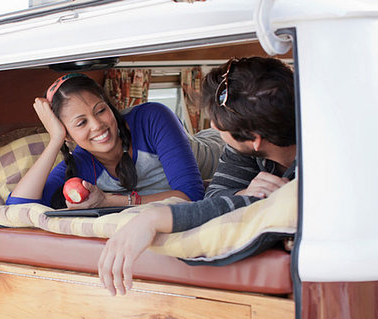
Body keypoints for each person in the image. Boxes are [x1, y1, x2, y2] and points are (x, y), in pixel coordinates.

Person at [98, 56, 297, 295]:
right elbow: (213, 198)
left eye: (219, 124)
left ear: (255, 140)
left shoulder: (317, 165)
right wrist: (245, 193)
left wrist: (153, 218)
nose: (213, 125)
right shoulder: (242, 146)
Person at [6, 73, 204, 209]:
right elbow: (17, 207)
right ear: (67, 133)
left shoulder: (152, 118)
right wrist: (55, 139)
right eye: (81, 123)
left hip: (210, 148)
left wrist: (110, 201)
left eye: (101, 110)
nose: (97, 125)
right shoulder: (81, 163)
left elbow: (193, 195)